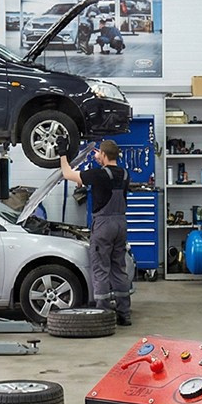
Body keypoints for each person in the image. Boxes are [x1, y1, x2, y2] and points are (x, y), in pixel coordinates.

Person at [58, 137, 131, 327]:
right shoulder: (124, 174)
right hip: (121, 224)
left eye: (99, 153)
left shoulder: (98, 175)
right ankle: (124, 314)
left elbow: (67, 173)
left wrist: (62, 153)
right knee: (119, 269)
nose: (97, 155)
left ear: (105, 155)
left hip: (104, 225)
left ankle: (103, 313)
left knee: (101, 269)